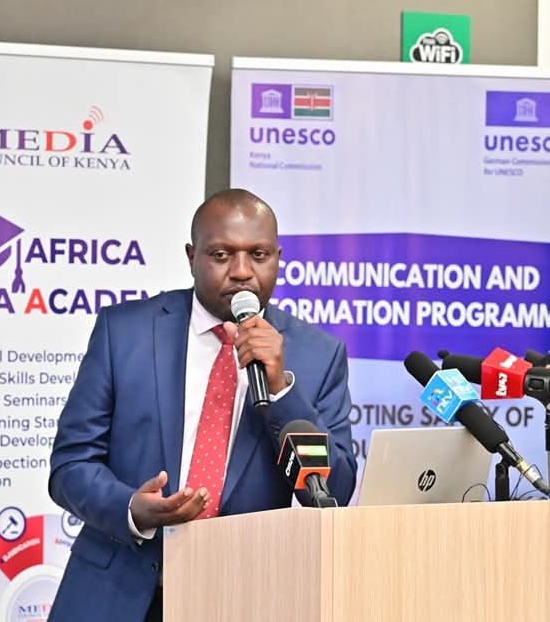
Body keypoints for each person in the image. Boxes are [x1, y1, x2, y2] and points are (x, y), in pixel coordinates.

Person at [47, 189, 356, 622]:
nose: (243, 272)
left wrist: (281, 391)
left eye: (259, 254)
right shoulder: (125, 332)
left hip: (242, 597)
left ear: (279, 258)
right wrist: (131, 509)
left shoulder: (316, 355)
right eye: (221, 255)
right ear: (192, 256)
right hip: (117, 592)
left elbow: (331, 490)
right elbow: (70, 466)